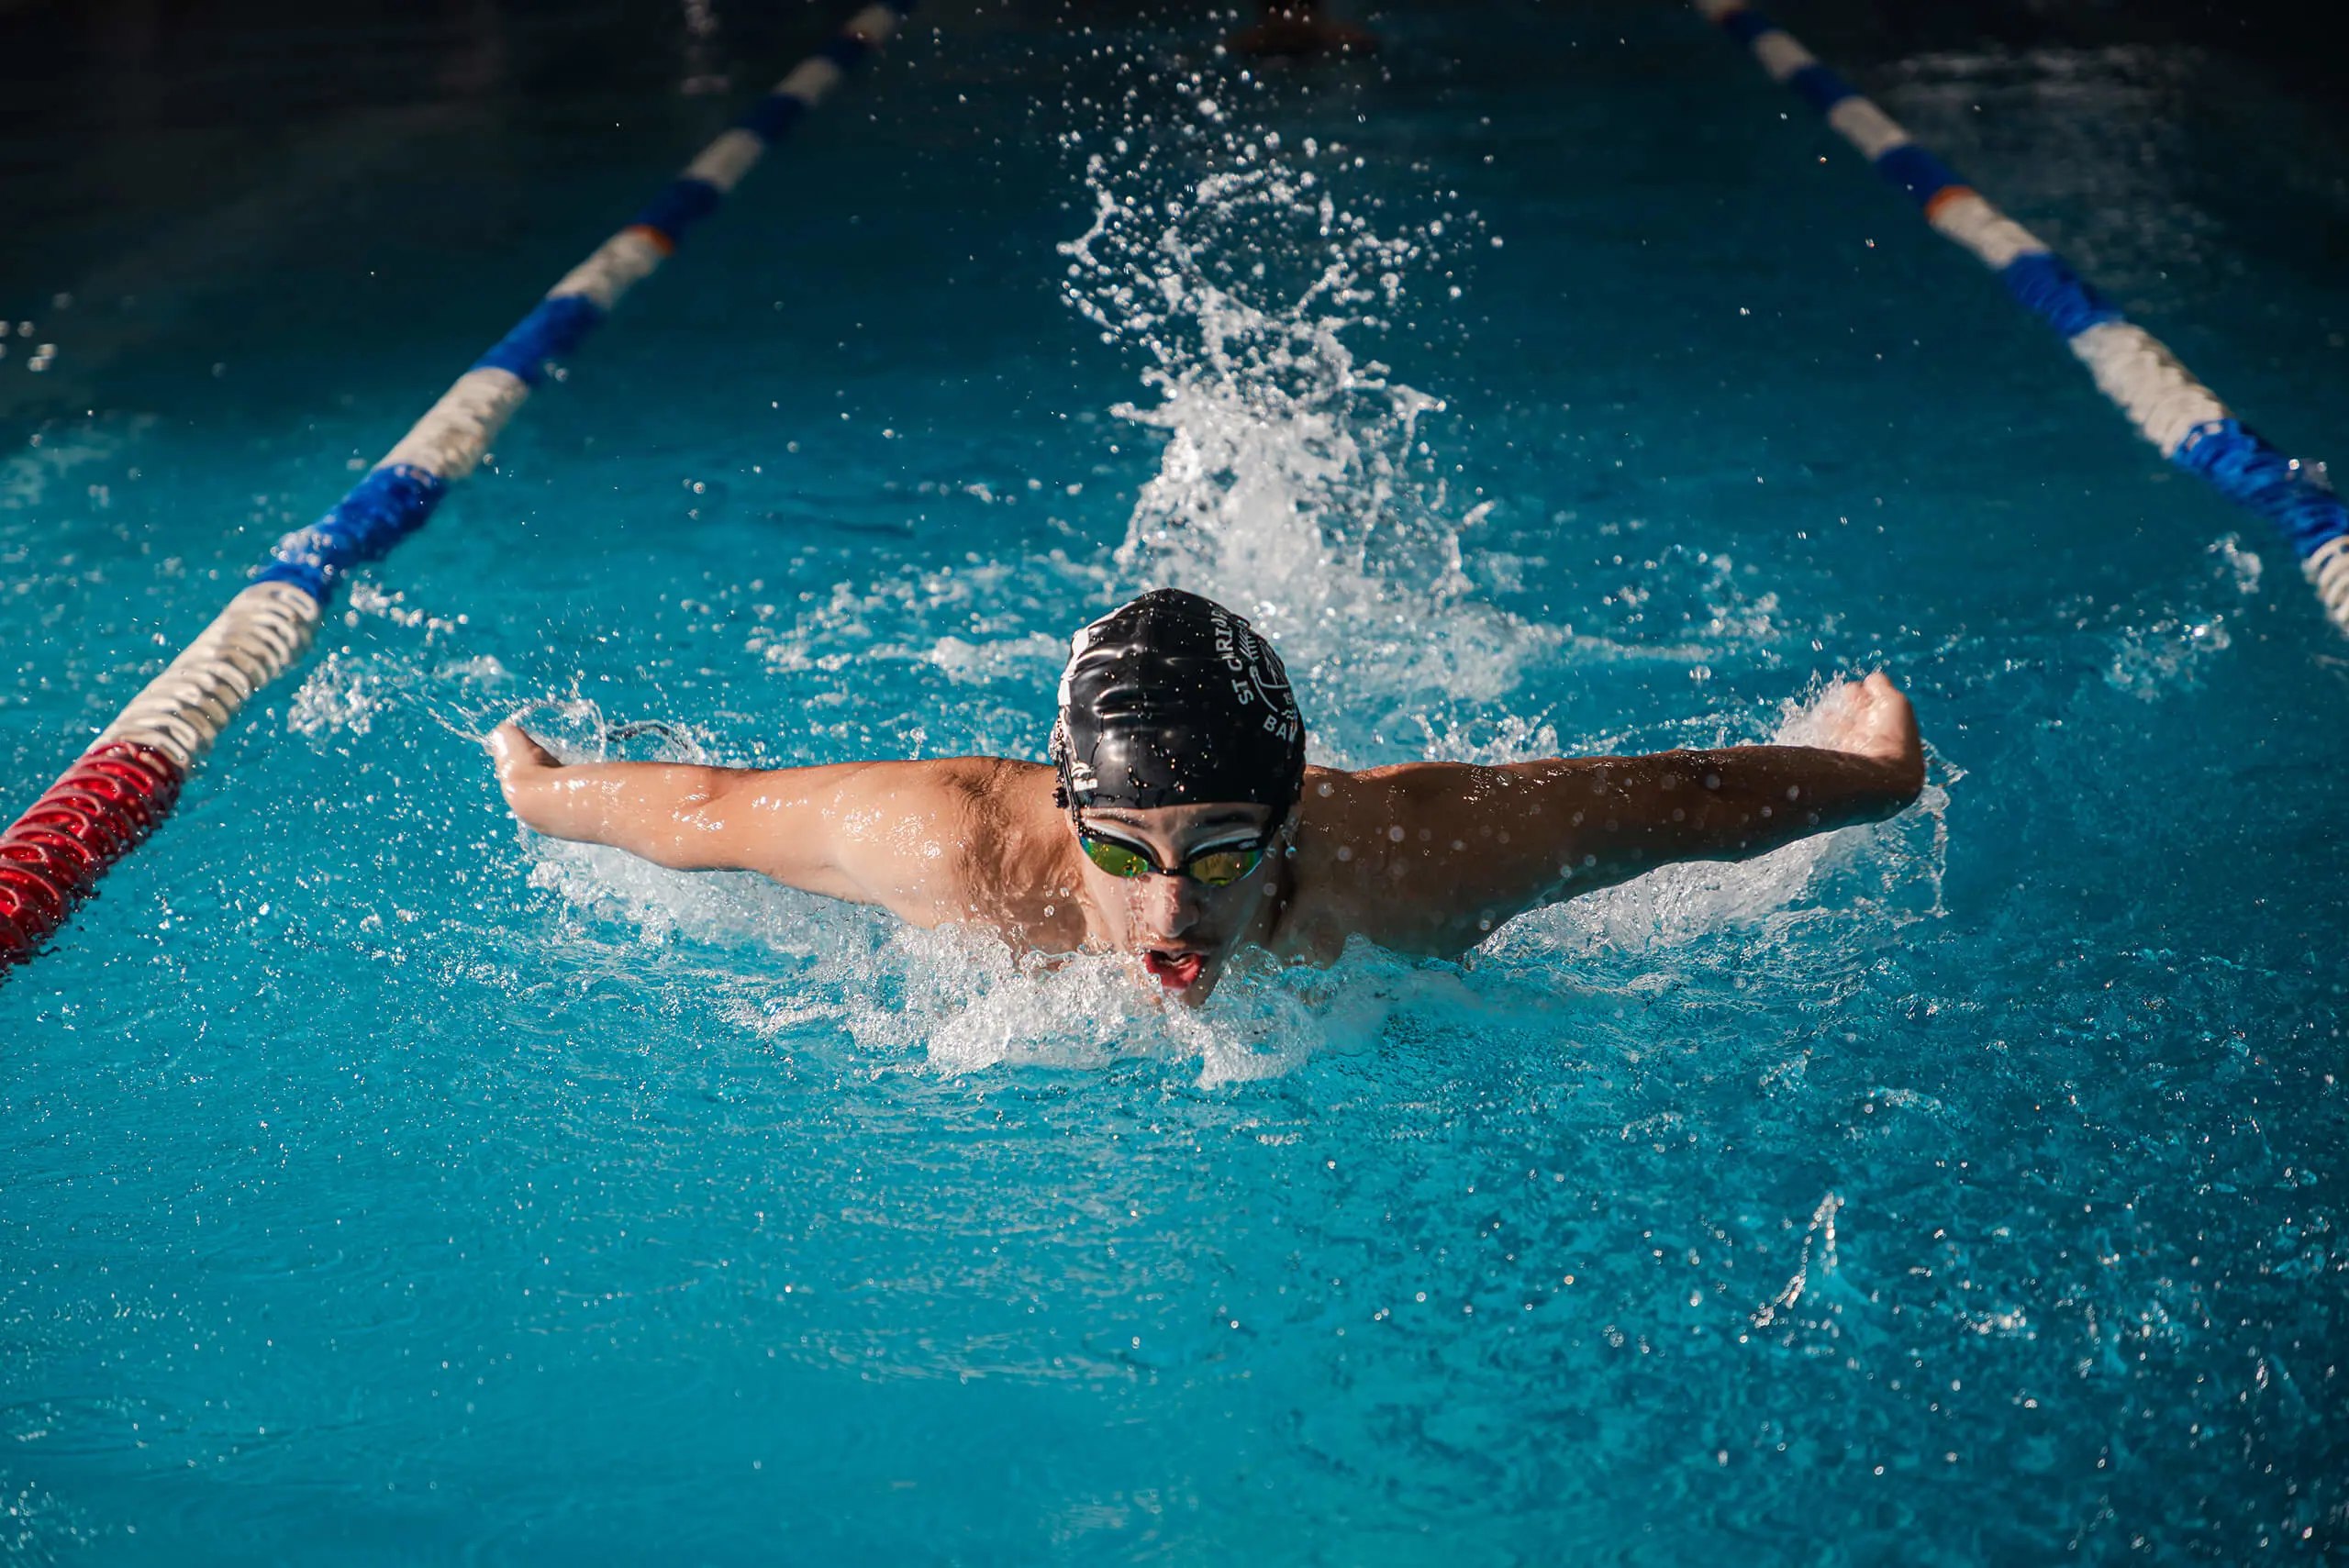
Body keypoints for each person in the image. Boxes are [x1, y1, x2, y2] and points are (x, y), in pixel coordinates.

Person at [487, 589, 1924, 1004]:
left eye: (1224, 853)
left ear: (1293, 819)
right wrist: (549, 793)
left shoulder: (1402, 863)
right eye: (1124, 848)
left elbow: (1661, 802)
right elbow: (706, 814)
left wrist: (1867, 780)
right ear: (1066, 814)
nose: (1174, 912)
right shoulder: (955, 847)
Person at [1226, 1, 1379, 59]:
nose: (1291, 19)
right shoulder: (1243, 47)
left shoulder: (1348, 41)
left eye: (1302, 6)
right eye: (1280, 8)